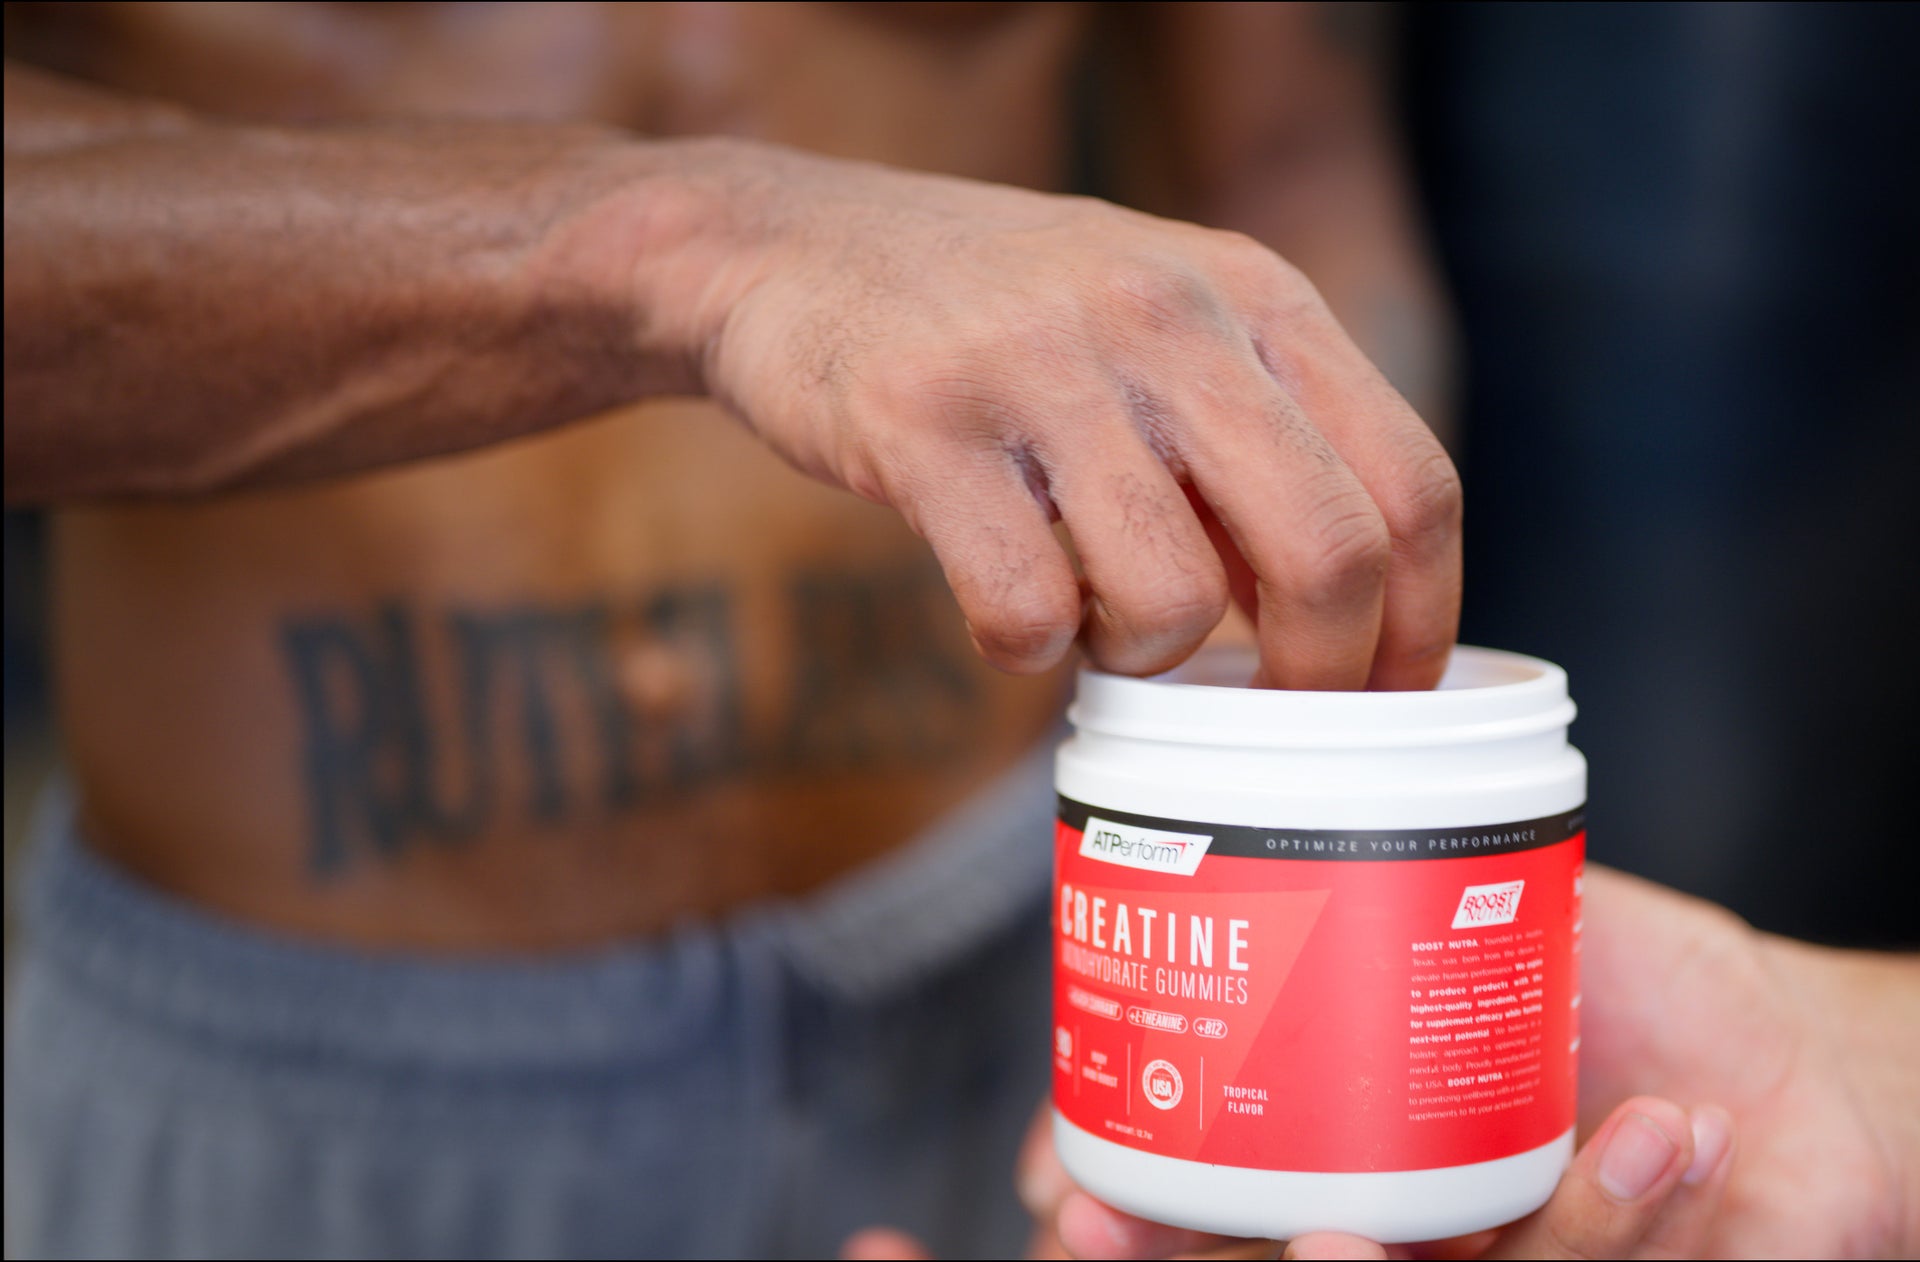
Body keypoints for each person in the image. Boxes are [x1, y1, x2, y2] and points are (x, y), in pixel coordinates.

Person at [3, 4, 1459, 1256]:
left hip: (1050, 983)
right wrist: (681, 245)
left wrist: (1358, 862)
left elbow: (1287, 151)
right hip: (318, 1087)